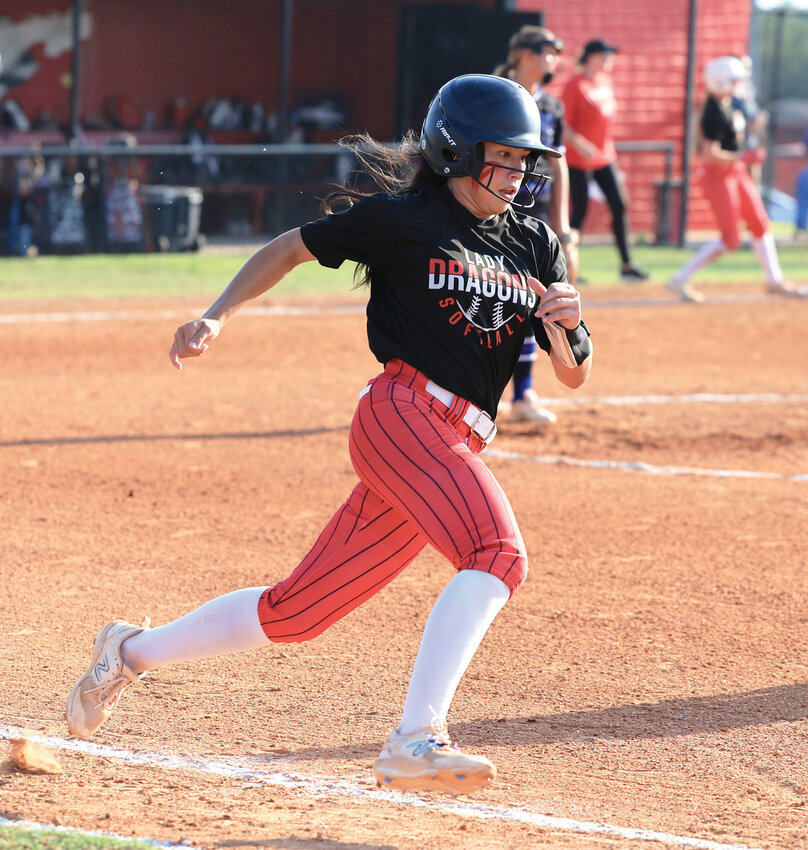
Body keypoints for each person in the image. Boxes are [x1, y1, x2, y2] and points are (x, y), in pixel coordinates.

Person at [66, 74, 593, 797]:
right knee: (496, 554)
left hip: (456, 440)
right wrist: (217, 314)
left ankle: (126, 652)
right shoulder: (405, 219)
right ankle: (416, 738)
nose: (518, 172)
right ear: (454, 151)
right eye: (501, 156)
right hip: (402, 414)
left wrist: (564, 323)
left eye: (524, 160)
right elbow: (288, 248)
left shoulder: (535, 243)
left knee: (298, 612)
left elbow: (573, 375)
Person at [667, 56, 806, 302]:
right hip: (717, 175)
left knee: (760, 223)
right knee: (730, 238)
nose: (739, 84)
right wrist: (744, 155)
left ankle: (774, 281)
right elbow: (710, 155)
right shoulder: (712, 110)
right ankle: (679, 279)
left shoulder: (730, 103)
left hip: (735, 171)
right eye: (734, 80)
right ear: (720, 81)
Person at [493, 24, 579, 425]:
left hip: (536, 210)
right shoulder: (492, 91)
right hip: (493, 205)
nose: (554, 59)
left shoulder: (554, 107)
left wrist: (562, 223)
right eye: (548, 51)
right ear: (524, 54)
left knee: (532, 300)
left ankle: (523, 394)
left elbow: (558, 167)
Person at [562, 39, 649, 283]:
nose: (609, 58)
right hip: (579, 158)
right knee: (578, 213)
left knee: (619, 205)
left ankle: (627, 265)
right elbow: (564, 122)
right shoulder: (575, 84)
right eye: (605, 54)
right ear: (590, 56)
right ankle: (567, 267)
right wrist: (579, 143)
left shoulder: (604, 82)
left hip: (605, 157)